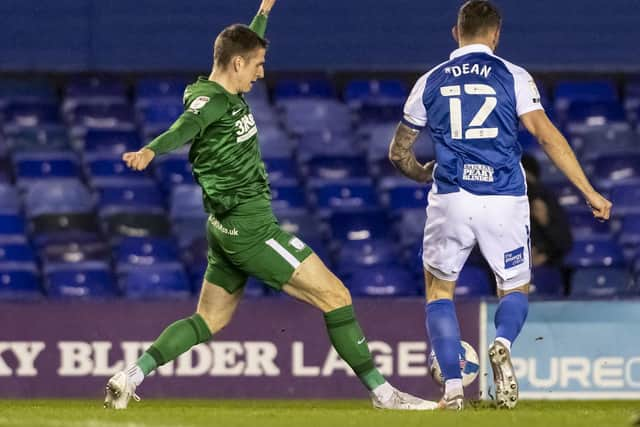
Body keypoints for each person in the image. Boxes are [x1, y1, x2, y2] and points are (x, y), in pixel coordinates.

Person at [103, 0, 436, 411]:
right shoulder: (211, 104)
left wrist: (263, 10)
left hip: (223, 230)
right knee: (337, 297)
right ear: (238, 63)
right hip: (251, 230)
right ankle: (385, 395)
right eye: (258, 65)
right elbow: (184, 127)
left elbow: (240, 46)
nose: (262, 73)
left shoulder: (215, 87)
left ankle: (129, 376)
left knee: (209, 319)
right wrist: (151, 151)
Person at [388, 0, 611, 410]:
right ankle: (503, 342)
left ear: (456, 33)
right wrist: (589, 191)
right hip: (503, 196)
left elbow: (399, 153)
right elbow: (547, 137)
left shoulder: (430, 81)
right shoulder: (514, 76)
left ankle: (453, 389)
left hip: (451, 197)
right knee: (514, 286)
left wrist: (424, 173)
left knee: (439, 290)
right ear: (495, 35)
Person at [521, 153, 573, 269]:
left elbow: (564, 243)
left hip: (546, 268)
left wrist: (546, 222)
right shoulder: (503, 204)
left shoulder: (546, 201)